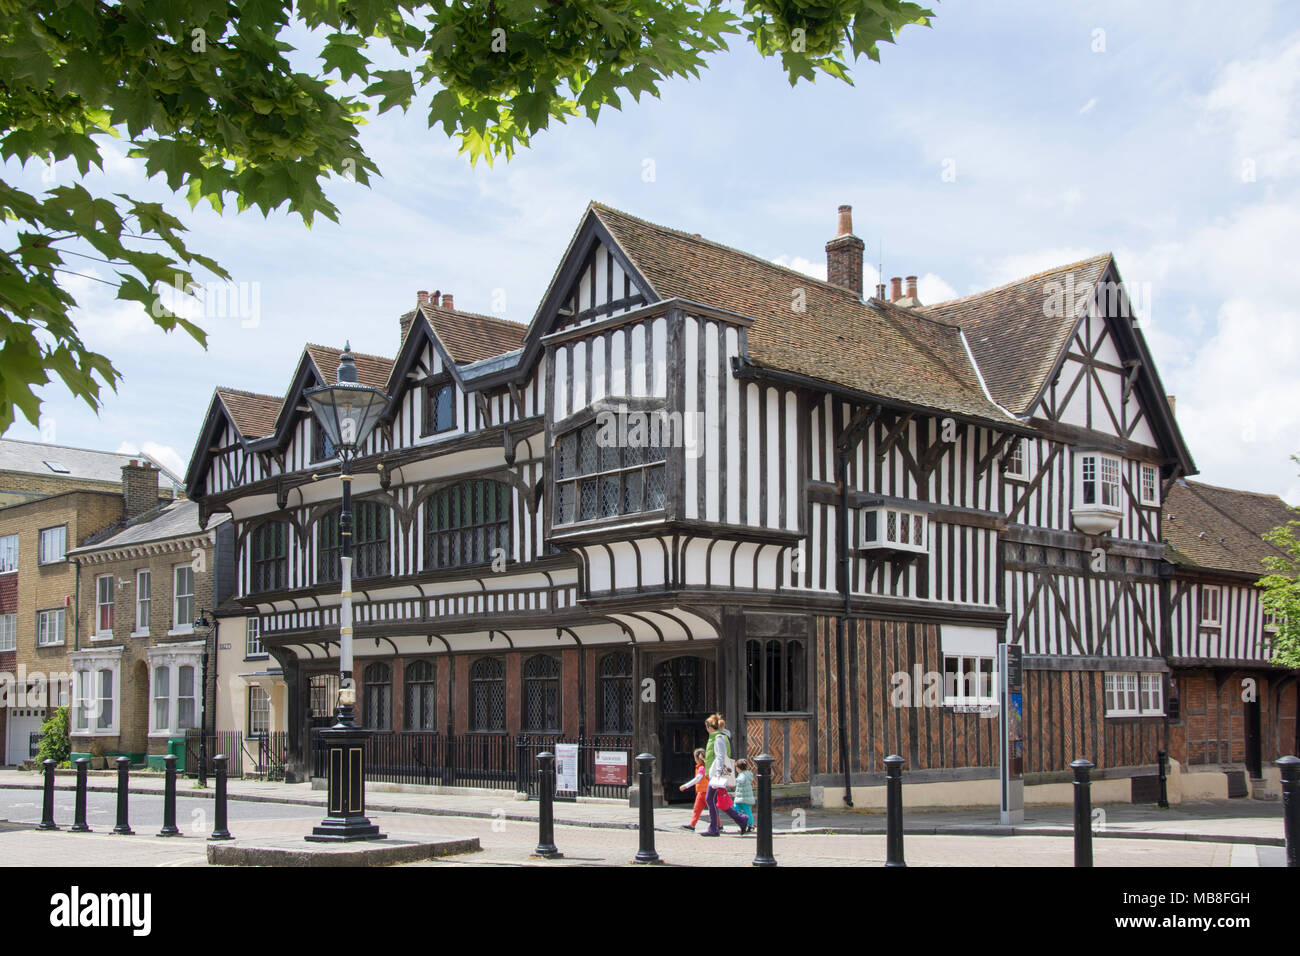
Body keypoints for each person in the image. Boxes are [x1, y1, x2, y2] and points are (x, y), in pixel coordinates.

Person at [701, 713, 750, 836]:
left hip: (718, 774)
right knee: (719, 801)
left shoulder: (718, 739)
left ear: (710, 727)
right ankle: (741, 820)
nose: (706, 729)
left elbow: (720, 756)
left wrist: (717, 773)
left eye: (706, 726)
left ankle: (714, 828)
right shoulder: (716, 737)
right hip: (716, 774)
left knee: (710, 799)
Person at [678, 748, 708, 831]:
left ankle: (719, 825)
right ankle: (692, 825)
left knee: (711, 810)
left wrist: (686, 786)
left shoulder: (702, 768)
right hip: (701, 792)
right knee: (697, 809)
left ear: (697, 758)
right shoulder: (701, 767)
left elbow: (697, 779)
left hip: (705, 792)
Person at [733, 758, 755, 828]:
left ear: (739, 768)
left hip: (743, 797)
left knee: (737, 809)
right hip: (743, 797)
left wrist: (732, 778)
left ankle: (749, 824)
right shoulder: (747, 774)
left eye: (736, 768)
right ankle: (748, 824)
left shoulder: (742, 775)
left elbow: (740, 781)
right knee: (747, 811)